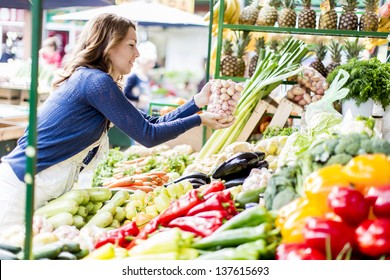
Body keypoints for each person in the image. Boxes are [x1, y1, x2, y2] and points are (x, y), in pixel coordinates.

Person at [0, 13, 234, 231]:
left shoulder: (94, 80)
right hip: (18, 192)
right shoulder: (95, 81)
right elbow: (148, 135)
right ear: (109, 45)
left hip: (34, 189)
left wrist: (197, 101)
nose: (138, 53)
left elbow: (149, 123)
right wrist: (199, 120)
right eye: (131, 45)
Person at [123, 41, 157, 113]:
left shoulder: (146, 77)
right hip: (135, 112)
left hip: (144, 111)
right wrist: (138, 98)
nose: (152, 65)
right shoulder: (134, 77)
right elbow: (125, 93)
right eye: (150, 62)